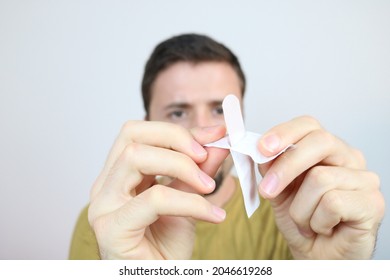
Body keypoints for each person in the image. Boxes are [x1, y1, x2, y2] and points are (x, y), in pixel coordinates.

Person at [69, 33, 385, 260]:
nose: (204, 129)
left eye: (221, 110)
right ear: (148, 122)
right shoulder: (109, 223)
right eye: (178, 112)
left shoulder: (299, 218)